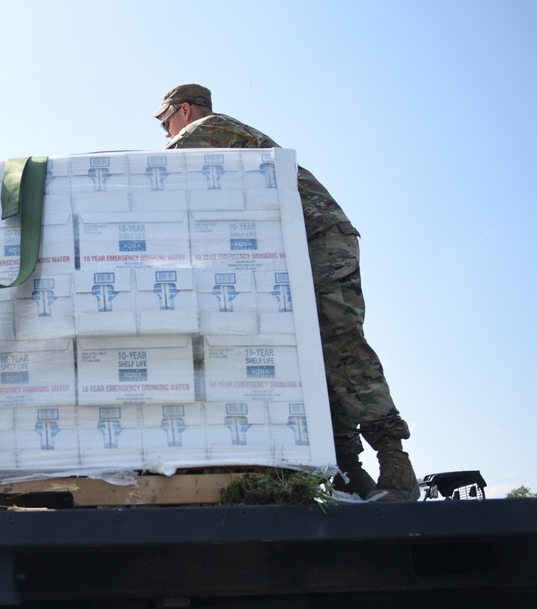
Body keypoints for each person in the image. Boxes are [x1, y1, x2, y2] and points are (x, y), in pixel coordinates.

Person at [152, 84, 417, 502]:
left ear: (183, 111)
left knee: (341, 345)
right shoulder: (219, 141)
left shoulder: (207, 129)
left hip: (319, 240)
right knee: (311, 356)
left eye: (166, 123)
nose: (166, 134)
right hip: (292, 248)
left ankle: (396, 463)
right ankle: (349, 470)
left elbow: (145, 172)